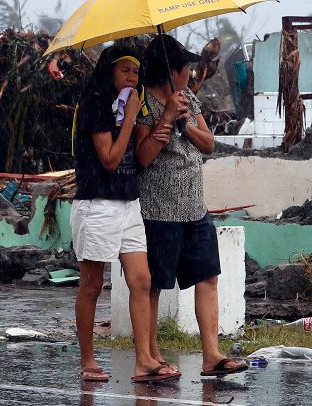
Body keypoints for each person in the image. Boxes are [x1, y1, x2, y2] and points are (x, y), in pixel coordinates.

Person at [135, 34, 247, 377]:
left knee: (207, 276)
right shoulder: (143, 106)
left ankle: (211, 355)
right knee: (154, 284)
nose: (189, 73)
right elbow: (142, 156)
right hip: (159, 210)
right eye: (185, 67)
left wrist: (184, 125)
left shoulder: (188, 99)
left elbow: (209, 144)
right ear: (172, 70)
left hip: (194, 207)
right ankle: (151, 356)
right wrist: (166, 119)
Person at [71, 45, 180, 383]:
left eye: (136, 72)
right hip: (98, 204)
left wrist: (153, 125)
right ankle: (88, 360)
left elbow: (135, 155)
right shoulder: (95, 106)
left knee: (142, 280)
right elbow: (110, 160)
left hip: (128, 201)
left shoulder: (129, 105)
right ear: (109, 73)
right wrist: (131, 118)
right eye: (125, 71)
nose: (132, 78)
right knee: (91, 284)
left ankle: (144, 360)